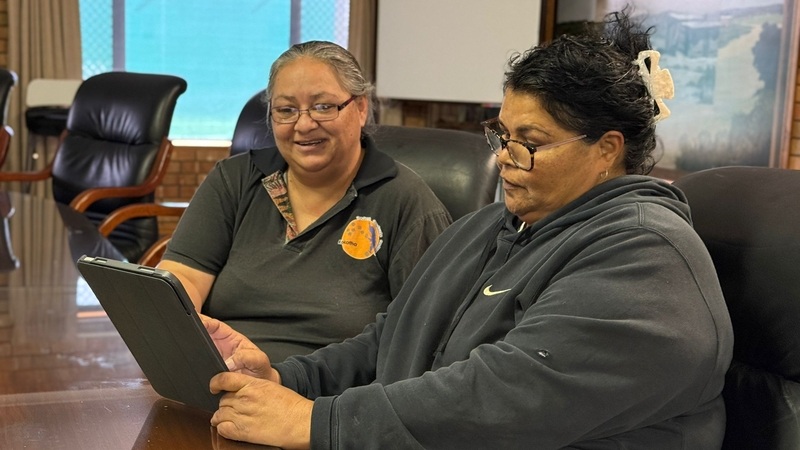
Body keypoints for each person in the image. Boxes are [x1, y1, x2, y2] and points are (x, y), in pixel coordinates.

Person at [204, 11, 734, 449]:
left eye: (530, 142)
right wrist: (288, 379)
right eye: (502, 136)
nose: (505, 158)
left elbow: (506, 397)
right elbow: (391, 337)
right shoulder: (491, 227)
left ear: (607, 150)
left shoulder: (645, 256)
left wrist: (320, 423)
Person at [158, 41, 452, 362]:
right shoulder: (235, 180)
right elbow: (181, 280)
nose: (304, 124)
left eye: (323, 106)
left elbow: (425, 335)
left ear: (360, 108)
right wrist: (183, 338)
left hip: (331, 388)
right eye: (286, 110)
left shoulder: (406, 202)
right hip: (222, 374)